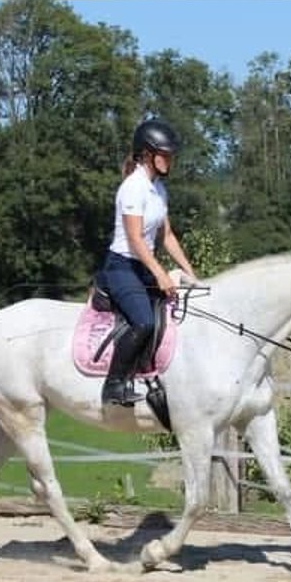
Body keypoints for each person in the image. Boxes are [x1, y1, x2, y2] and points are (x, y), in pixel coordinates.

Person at [95, 118, 198, 406]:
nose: (170, 160)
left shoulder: (158, 190)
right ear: (147, 155)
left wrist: (193, 276)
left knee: (178, 312)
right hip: (122, 267)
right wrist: (161, 274)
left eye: (170, 155)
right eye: (165, 154)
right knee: (143, 321)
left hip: (143, 266)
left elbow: (167, 237)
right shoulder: (133, 188)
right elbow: (136, 240)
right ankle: (114, 385)